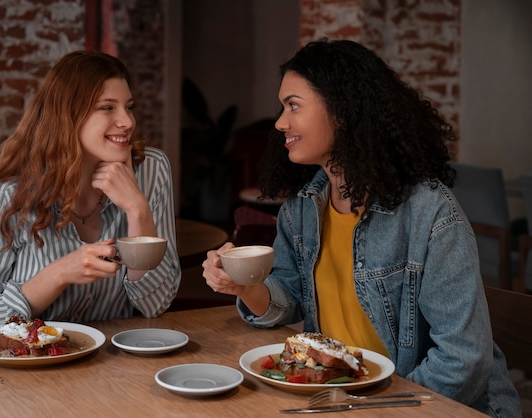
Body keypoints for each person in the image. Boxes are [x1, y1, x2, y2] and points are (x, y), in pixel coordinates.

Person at [202, 38, 520, 417]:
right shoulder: (302, 208)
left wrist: (382, 409)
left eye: (293, 106)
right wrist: (245, 287)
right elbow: (287, 300)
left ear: (343, 112)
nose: (280, 122)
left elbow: (464, 357)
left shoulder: (428, 212)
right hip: (350, 398)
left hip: (426, 406)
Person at [0, 50, 181, 334]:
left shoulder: (150, 170)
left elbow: (156, 305)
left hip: (117, 365)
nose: (127, 122)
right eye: (107, 108)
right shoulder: (10, 196)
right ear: (68, 116)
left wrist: (138, 210)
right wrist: (59, 274)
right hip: (35, 370)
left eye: (129, 106)